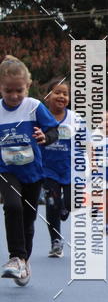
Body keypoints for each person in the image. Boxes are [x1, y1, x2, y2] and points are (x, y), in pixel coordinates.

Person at [0, 55, 59, 285]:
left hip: (33, 172)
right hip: (6, 170)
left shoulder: (34, 106)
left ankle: (24, 260)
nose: (14, 96)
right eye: (8, 91)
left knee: (28, 217)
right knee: (12, 206)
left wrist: (46, 136)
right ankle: (15, 257)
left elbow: (54, 130)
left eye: (19, 91)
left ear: (28, 86)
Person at [42, 77, 76, 258]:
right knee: (52, 203)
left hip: (69, 168)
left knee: (68, 205)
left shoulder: (74, 118)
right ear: (48, 96)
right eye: (57, 92)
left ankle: (65, 207)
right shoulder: (41, 116)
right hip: (48, 169)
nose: (61, 96)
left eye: (65, 93)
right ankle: (56, 241)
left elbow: (85, 143)